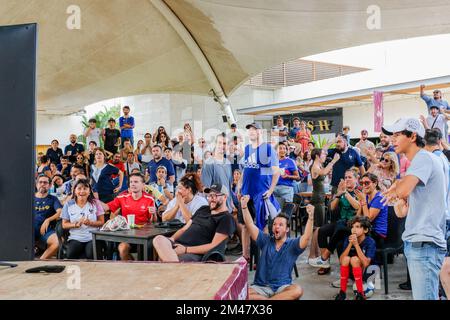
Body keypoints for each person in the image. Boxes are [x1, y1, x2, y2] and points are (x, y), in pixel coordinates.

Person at [382, 118, 447, 300]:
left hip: (424, 244)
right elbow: (401, 211)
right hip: (419, 243)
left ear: (412, 136)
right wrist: (398, 191)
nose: (392, 139)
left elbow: (402, 191)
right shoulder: (419, 163)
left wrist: (398, 185)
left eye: (397, 134)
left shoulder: (424, 158)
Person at [242, 195, 314, 300]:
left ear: (287, 229)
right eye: (275, 224)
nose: (276, 226)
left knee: (297, 290)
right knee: (243, 294)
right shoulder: (266, 240)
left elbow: (306, 238)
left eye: (281, 225)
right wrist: (244, 207)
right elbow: (249, 224)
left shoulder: (292, 244)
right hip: (260, 287)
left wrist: (311, 217)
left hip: (282, 287)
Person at [153, 183, 235, 262]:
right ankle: (173, 265)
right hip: (179, 244)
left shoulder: (226, 218)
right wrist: (172, 239)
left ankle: (172, 266)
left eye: (215, 196)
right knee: (158, 239)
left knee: (166, 257)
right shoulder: (203, 209)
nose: (211, 199)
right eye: (209, 196)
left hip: (194, 252)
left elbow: (213, 246)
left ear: (225, 197)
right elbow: (184, 229)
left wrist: (185, 250)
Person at [239, 122, 281, 260]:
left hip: (261, 193)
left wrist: (270, 191)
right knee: (245, 225)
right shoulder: (247, 149)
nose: (250, 132)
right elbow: (245, 170)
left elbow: (276, 172)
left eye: (253, 129)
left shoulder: (268, 149)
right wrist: (239, 186)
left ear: (260, 132)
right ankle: (245, 255)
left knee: (262, 226)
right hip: (246, 193)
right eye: (249, 130)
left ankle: (263, 256)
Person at [309, 169, 360, 272]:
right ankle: (325, 262)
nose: (347, 179)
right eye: (345, 177)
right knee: (322, 230)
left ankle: (324, 257)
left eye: (350, 177)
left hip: (353, 224)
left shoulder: (359, 191)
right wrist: (338, 194)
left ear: (356, 179)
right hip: (341, 222)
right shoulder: (341, 191)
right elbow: (332, 207)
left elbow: (357, 206)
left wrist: (345, 192)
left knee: (339, 229)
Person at [102, 172, 157, 260]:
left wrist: (154, 213)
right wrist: (92, 200)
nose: (133, 184)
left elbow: (154, 222)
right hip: (127, 234)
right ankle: (131, 267)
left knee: (150, 251)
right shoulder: (122, 197)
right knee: (122, 248)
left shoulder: (149, 198)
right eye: (131, 182)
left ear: (143, 185)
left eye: (136, 182)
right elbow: (106, 207)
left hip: (145, 236)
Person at [334, 216, 376, 300]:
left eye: (357, 227)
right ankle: (342, 292)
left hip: (366, 273)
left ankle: (361, 294)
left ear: (365, 230)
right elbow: (341, 261)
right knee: (346, 259)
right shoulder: (348, 239)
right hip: (353, 273)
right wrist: (350, 244)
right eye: (352, 227)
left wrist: (356, 245)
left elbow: (366, 263)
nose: (354, 229)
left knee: (354, 259)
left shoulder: (370, 241)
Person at [61, 179, 105, 259]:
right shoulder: (68, 204)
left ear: (89, 191)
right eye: (79, 188)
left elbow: (102, 222)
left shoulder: (95, 203)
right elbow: (64, 225)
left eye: (85, 188)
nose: (82, 191)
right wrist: (75, 224)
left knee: (91, 253)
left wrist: (90, 223)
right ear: (74, 191)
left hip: (92, 237)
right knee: (71, 253)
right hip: (75, 237)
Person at [201, 134, 233, 212]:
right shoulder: (209, 163)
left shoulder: (228, 163)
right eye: (220, 143)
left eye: (225, 143)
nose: (222, 145)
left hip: (227, 208)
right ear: (215, 144)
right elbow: (205, 189)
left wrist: (231, 202)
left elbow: (229, 186)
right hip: (216, 210)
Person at [354, 173, 388, 247]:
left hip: (378, 233)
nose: (364, 185)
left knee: (345, 232)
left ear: (375, 183)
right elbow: (357, 217)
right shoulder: (366, 197)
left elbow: (368, 220)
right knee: (342, 230)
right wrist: (361, 201)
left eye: (367, 183)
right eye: (362, 183)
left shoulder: (379, 198)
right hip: (367, 229)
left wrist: (363, 201)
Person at [34, 174, 62, 259]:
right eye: (40, 182)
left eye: (45, 182)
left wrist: (48, 220)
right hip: (28, 229)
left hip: (45, 230)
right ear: (36, 184)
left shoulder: (53, 199)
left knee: (57, 243)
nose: (42, 184)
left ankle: (40, 261)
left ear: (50, 185)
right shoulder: (29, 197)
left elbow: (60, 212)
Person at [273, 143, 300, 208]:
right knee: (274, 212)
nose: (282, 150)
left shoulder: (290, 161)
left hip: (286, 189)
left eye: (284, 148)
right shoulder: (272, 162)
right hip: (273, 189)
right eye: (280, 148)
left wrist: (288, 176)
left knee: (286, 210)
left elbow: (298, 177)